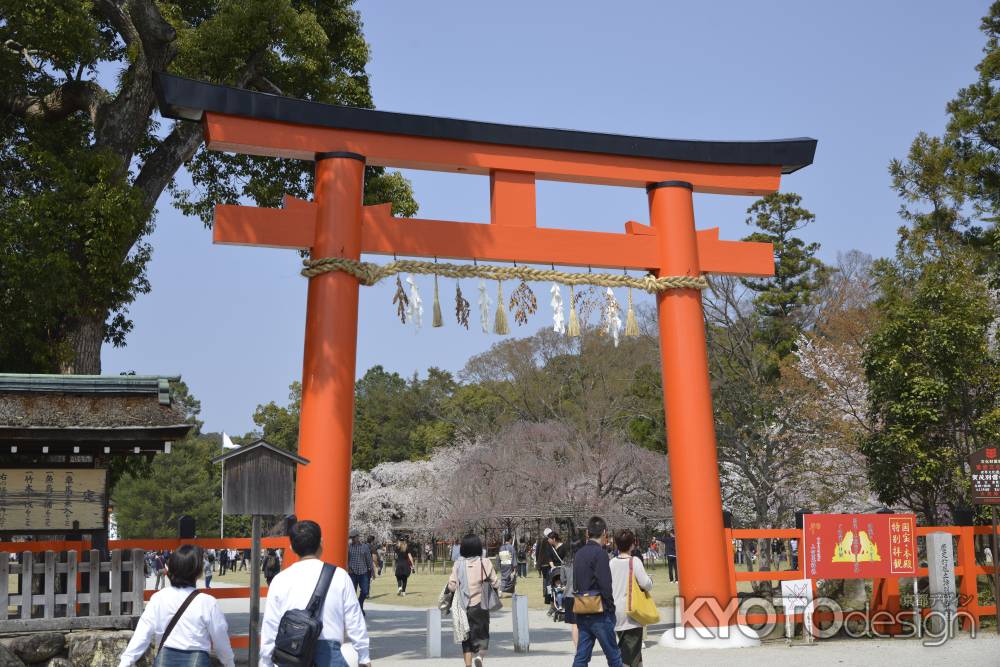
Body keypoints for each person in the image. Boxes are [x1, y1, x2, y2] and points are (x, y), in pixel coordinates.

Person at [260, 520, 370, 667]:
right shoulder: (339, 576)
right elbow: (354, 620)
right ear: (321, 543)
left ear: (291, 547)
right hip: (329, 656)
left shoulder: (279, 580)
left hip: (291, 654)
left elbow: (270, 627)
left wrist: (265, 662)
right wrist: (363, 656)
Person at [119, 545, 234, 667]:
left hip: (164, 660)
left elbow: (142, 635)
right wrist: (229, 663)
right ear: (198, 572)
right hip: (197, 661)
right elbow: (221, 642)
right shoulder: (208, 603)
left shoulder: (158, 598)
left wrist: (125, 662)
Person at [571, 516, 622, 667]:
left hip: (582, 608)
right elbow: (605, 585)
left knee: (582, 656)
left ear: (587, 532)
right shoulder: (600, 554)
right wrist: (611, 608)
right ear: (604, 532)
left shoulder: (579, 554)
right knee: (614, 656)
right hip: (600, 610)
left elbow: (576, 582)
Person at [447, 534, 499, 667]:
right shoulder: (485, 562)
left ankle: (468, 665)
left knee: (467, 638)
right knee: (483, 635)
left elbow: (451, 586)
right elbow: (495, 583)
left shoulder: (458, 564)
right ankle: (480, 657)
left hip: (464, 607)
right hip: (481, 604)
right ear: (478, 547)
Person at [609, 530, 652, 667]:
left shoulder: (611, 563)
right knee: (629, 655)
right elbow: (646, 583)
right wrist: (651, 581)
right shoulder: (635, 562)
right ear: (632, 545)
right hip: (633, 611)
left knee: (633, 651)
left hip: (616, 610)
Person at [347, 530, 374, 614]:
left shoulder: (364, 547)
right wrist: (348, 568)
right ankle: (357, 610)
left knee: (365, 591)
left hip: (363, 572)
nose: (351, 539)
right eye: (351, 538)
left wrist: (372, 570)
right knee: (352, 592)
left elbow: (369, 559)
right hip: (352, 572)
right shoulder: (348, 547)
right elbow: (345, 559)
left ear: (357, 537)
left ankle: (360, 604)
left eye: (353, 537)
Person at [538, 528, 553, 604]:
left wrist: (538, 563)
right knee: (549, 579)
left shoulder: (540, 541)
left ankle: (545, 593)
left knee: (545, 579)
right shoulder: (549, 541)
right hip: (549, 562)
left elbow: (538, 552)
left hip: (542, 563)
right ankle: (549, 594)